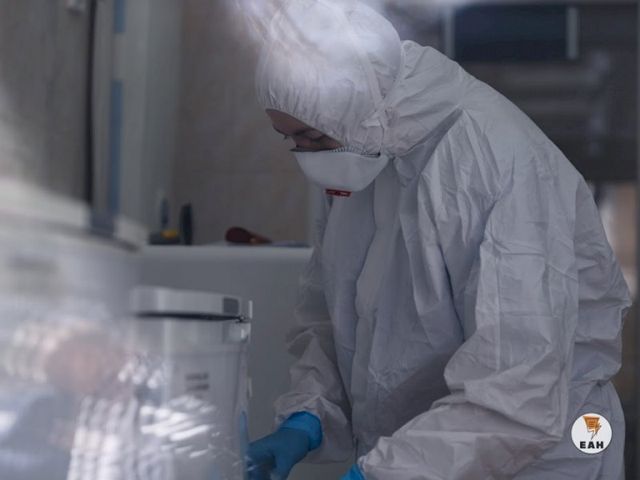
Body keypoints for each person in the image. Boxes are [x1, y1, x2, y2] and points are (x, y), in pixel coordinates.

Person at [247, 1, 631, 479]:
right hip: (420, 459)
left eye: (311, 138)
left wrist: (382, 473)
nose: (306, 156)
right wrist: (307, 416)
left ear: (357, 106)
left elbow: (517, 394)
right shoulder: (362, 152)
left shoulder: (495, 163)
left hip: (540, 460)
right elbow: (337, 316)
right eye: (290, 140)